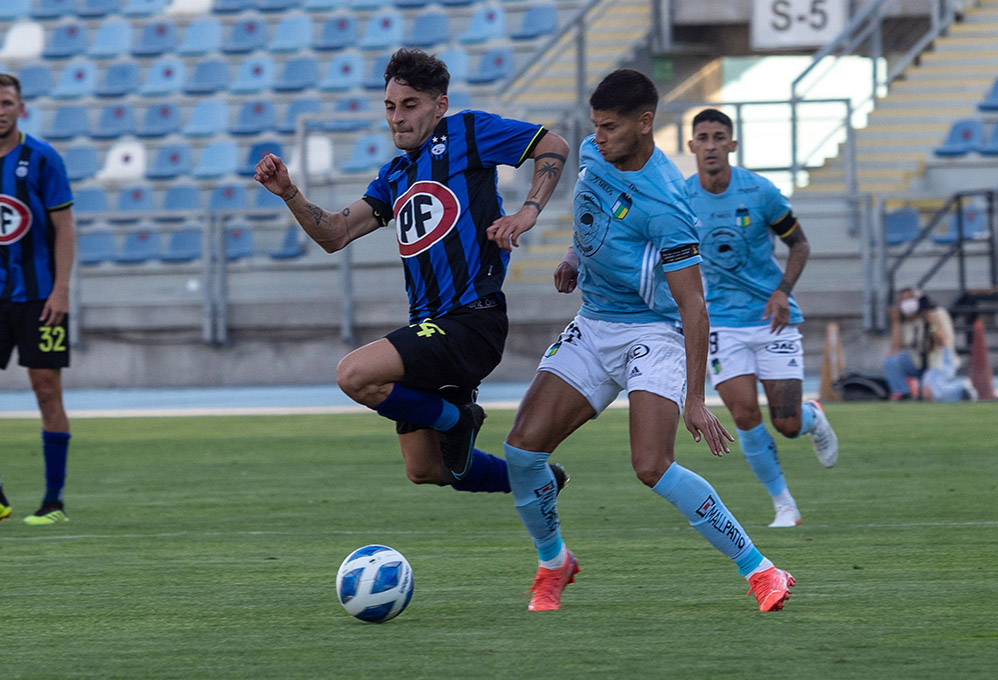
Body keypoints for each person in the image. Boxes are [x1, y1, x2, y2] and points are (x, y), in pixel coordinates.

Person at [502, 70, 795, 614]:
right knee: (521, 452)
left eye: (609, 127)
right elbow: (591, 215)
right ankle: (553, 562)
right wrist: (573, 256)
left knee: (652, 466)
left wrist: (694, 398)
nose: (598, 137)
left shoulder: (667, 203)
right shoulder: (592, 154)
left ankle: (761, 569)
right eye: (595, 126)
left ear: (644, 123)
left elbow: (693, 305)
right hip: (594, 323)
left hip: (652, 333)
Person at [254, 49, 570, 495]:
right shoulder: (395, 175)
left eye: (409, 105)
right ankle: (537, 482)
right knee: (427, 469)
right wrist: (289, 192)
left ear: (439, 106)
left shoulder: (468, 131)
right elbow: (336, 234)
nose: (397, 118)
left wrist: (528, 211)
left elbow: (553, 145)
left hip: (471, 320)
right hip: (429, 327)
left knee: (354, 374)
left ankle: (456, 419)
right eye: (389, 106)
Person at [683, 108, 838, 529]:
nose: (711, 146)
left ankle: (812, 417)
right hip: (721, 323)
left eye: (719, 137)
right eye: (703, 138)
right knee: (745, 415)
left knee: (786, 423)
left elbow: (800, 244)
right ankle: (785, 505)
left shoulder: (760, 191)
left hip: (771, 319)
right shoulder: (681, 198)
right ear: (692, 145)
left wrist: (782, 291)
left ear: (732, 144)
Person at [0, 73, 76, 526]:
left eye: (6, 103)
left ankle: (53, 502)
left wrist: (61, 289)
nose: (0, 111)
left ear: (21, 108)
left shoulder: (42, 158)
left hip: (39, 297)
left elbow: (65, 227)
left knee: (46, 390)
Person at [884, 287, 976, 402]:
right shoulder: (905, 322)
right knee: (891, 361)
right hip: (918, 361)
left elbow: (943, 342)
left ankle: (961, 388)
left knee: (927, 394)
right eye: (903, 300)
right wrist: (896, 322)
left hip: (939, 360)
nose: (907, 303)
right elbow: (896, 347)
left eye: (910, 299)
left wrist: (933, 323)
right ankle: (903, 395)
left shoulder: (936, 314)